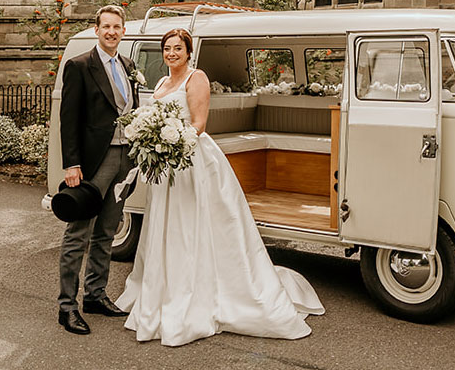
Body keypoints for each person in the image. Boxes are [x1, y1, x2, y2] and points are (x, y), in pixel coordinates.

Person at [118, 28, 324, 346]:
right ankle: (165, 288)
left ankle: (199, 293)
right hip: (166, 165)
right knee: (168, 228)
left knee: (193, 226)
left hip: (191, 161)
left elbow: (199, 124)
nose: (172, 53)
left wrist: (172, 142)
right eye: (167, 48)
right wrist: (154, 140)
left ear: (188, 53)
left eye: (177, 48)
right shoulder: (160, 83)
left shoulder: (196, 78)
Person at [57, 5, 139, 335]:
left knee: (107, 229)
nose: (111, 32)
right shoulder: (79, 66)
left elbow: (132, 110)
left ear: (123, 31)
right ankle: (67, 306)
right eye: (106, 26)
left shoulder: (128, 64)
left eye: (117, 27)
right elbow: (69, 120)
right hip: (93, 163)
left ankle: (95, 295)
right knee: (79, 233)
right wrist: (71, 165)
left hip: (124, 159)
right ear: (96, 29)